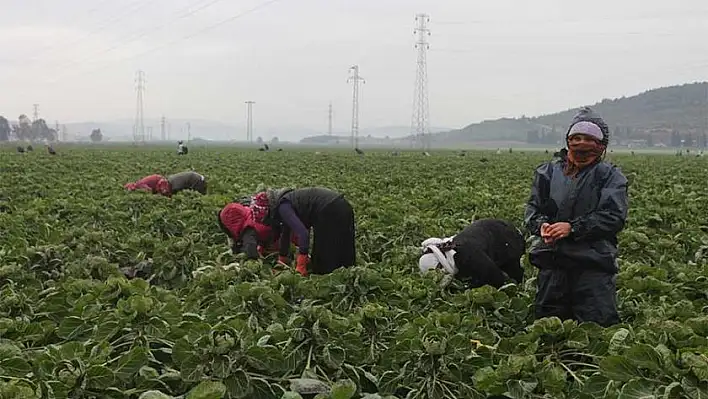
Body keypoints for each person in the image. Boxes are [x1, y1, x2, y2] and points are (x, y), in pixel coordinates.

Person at [524, 107, 629, 327]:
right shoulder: (547, 173)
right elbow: (533, 210)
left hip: (593, 267)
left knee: (596, 333)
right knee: (549, 333)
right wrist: (543, 226)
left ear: (601, 145)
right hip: (553, 264)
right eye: (576, 138)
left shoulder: (610, 176)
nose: (582, 144)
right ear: (568, 140)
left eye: (590, 139)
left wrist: (572, 228)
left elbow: (613, 217)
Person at [250, 187, 356, 276]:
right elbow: (285, 234)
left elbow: (303, 234)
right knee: (344, 245)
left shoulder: (284, 207)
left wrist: (301, 264)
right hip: (343, 205)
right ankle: (349, 273)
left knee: (323, 260)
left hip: (329, 210)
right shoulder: (287, 201)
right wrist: (282, 259)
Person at [418, 218, 525, 289]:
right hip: (493, 232)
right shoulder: (451, 252)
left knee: (517, 279)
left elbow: (495, 278)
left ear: (440, 264)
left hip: (509, 238)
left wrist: (473, 288)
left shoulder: (466, 255)